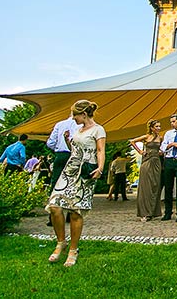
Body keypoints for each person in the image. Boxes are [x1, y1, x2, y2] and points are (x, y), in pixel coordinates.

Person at [45, 100, 106, 267]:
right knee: (55, 205)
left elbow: (100, 150)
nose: (73, 118)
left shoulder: (98, 130)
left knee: (75, 211)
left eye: (75, 115)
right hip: (70, 169)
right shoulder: (78, 130)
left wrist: (100, 168)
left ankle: (73, 250)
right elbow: (76, 150)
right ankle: (61, 242)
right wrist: (68, 140)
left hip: (86, 171)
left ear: (84, 114)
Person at [131, 119, 164, 222]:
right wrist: (140, 151)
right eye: (157, 126)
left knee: (155, 186)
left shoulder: (161, 138)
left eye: (159, 126)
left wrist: (161, 152)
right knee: (146, 187)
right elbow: (132, 141)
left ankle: (153, 212)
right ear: (151, 128)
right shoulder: (146, 137)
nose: (159, 128)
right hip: (147, 161)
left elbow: (163, 148)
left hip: (157, 162)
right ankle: (144, 213)